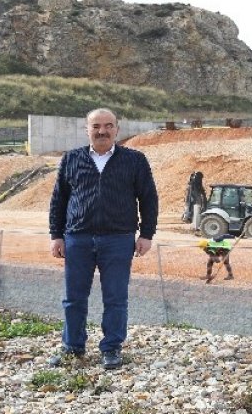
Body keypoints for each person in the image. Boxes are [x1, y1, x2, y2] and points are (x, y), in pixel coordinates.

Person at [48, 108, 159, 370]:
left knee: (116, 298)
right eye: (96, 126)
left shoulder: (135, 160)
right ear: (87, 129)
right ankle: (72, 348)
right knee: (73, 298)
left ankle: (111, 348)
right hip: (78, 238)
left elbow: (149, 198)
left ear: (117, 130)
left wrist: (146, 234)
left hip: (118, 240)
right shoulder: (71, 159)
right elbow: (59, 200)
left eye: (108, 126)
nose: (102, 131)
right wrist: (56, 235)